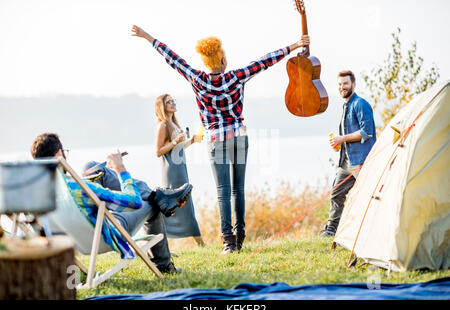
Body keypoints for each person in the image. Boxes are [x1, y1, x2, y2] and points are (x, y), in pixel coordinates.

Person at [131, 24, 310, 254]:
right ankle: (241, 236)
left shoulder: (198, 79)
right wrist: (295, 45)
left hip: (216, 140)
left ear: (206, 62)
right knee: (239, 190)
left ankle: (228, 242)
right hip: (238, 137)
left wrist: (148, 37)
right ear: (223, 61)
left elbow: (172, 58)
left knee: (223, 191)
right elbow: (266, 61)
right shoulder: (236, 77)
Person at [30, 132, 193, 274]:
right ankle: (163, 264)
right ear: (59, 155)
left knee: (92, 167)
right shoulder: (80, 188)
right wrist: (120, 170)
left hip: (77, 239)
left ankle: (160, 195)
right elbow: (134, 202)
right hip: (106, 235)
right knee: (153, 202)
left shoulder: (36, 194)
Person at [320, 70, 376, 237]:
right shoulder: (346, 105)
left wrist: (341, 139)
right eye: (339, 84)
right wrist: (339, 145)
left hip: (361, 161)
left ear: (353, 84)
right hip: (345, 162)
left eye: (345, 83)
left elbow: (366, 133)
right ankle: (331, 230)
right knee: (336, 194)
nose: (342, 87)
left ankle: (372, 229)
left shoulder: (360, 104)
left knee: (369, 196)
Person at [154, 93, 205, 246]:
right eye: (169, 102)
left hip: (180, 168)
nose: (173, 103)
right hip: (171, 172)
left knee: (186, 205)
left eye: (173, 100)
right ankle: (199, 243)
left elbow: (178, 148)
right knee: (174, 205)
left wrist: (193, 140)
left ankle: (199, 242)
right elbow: (158, 151)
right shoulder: (162, 125)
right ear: (162, 107)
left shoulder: (173, 123)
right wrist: (176, 140)